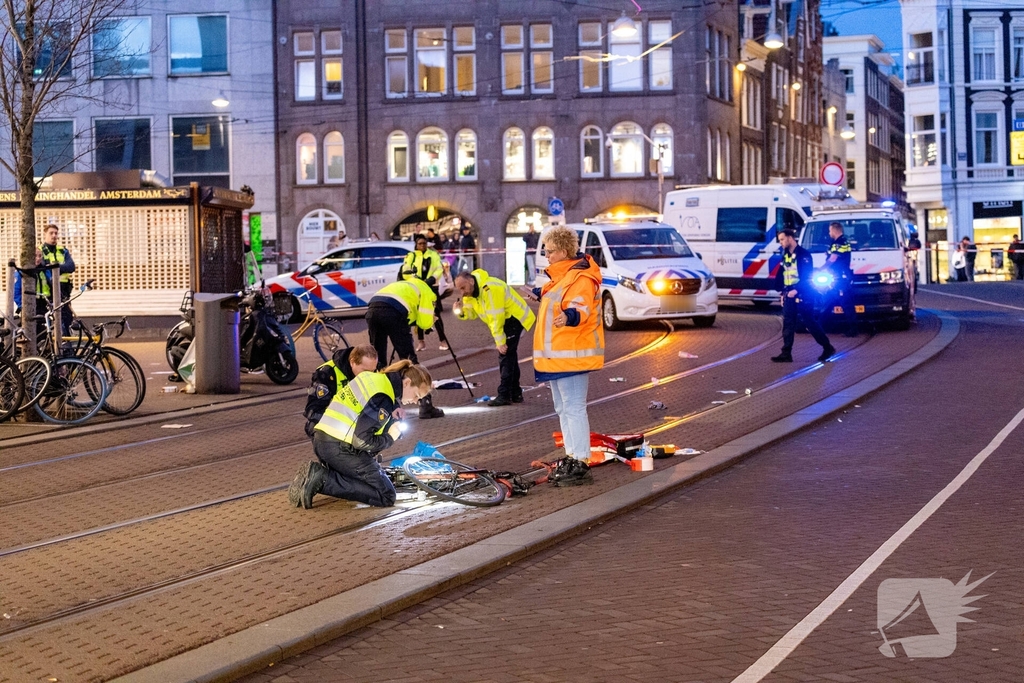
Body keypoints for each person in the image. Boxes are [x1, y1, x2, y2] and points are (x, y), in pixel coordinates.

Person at [288, 360, 434, 509]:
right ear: (407, 383)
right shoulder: (384, 397)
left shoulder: (375, 378)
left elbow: (361, 413)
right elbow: (362, 441)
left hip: (323, 441)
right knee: (386, 494)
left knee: (367, 481)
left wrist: (392, 412)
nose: (416, 401)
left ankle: (319, 477)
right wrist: (390, 437)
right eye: (417, 395)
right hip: (340, 449)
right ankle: (322, 478)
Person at [525, 225, 603, 486]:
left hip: (572, 356)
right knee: (564, 408)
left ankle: (580, 460)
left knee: (573, 408)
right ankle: (573, 456)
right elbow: (557, 296)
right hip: (559, 357)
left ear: (564, 251)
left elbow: (580, 306)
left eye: (550, 252)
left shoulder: (579, 277)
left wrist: (570, 316)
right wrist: (539, 294)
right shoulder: (561, 277)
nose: (547, 256)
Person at [364, 278, 445, 418]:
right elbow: (424, 323)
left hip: (373, 309)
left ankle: (377, 405)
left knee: (377, 361)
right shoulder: (427, 292)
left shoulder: (405, 284)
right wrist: (432, 320)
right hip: (394, 312)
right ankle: (425, 405)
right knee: (409, 360)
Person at [453, 269, 536, 406]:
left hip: (515, 318)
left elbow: (495, 319)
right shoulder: (470, 294)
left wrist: (500, 342)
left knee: (505, 355)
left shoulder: (490, 289)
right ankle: (515, 393)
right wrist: (461, 312)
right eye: (459, 289)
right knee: (510, 356)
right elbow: (472, 314)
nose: (462, 292)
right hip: (505, 320)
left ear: (471, 281)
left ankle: (504, 394)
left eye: (463, 288)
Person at [772, 228, 835, 363]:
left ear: (790, 238)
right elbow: (783, 273)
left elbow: (807, 277)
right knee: (788, 323)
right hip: (789, 294)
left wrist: (797, 290)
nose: (781, 243)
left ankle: (827, 347)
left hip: (803, 295)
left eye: (782, 239)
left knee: (810, 323)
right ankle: (786, 353)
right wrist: (783, 291)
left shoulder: (804, 255)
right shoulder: (786, 255)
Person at [303, 345, 379, 439]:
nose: (370, 375)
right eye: (365, 371)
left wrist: (395, 407)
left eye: (373, 371)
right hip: (333, 423)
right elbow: (313, 410)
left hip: (356, 421)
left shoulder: (372, 371)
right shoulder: (327, 374)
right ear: (352, 362)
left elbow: (383, 392)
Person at [401, 234, 447, 352]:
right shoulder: (411, 256)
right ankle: (421, 342)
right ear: (416, 245)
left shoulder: (433, 255)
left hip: (432, 287)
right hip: (418, 288)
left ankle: (443, 341)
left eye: (424, 243)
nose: (422, 246)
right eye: (420, 244)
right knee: (418, 314)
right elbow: (405, 270)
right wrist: (415, 279)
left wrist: (432, 278)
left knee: (436, 314)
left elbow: (439, 268)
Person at [825, 221, 858, 337]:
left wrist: (821, 269)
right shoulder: (842, 242)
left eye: (830, 231)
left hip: (840, 279)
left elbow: (833, 259)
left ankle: (853, 330)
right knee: (828, 302)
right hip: (837, 278)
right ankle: (821, 326)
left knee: (846, 304)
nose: (829, 233)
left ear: (834, 230)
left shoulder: (840, 243)